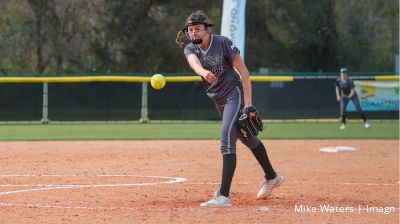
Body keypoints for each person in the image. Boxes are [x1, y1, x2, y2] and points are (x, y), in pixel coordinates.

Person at [175, 11, 284, 207]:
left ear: (207, 29)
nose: (194, 33)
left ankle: (224, 195)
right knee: (247, 138)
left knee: (227, 137)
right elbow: (194, 64)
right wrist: (202, 72)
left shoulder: (223, 42)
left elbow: (244, 72)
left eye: (198, 29)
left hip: (235, 94)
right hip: (219, 100)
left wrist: (249, 103)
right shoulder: (190, 49)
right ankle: (272, 177)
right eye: (190, 30)